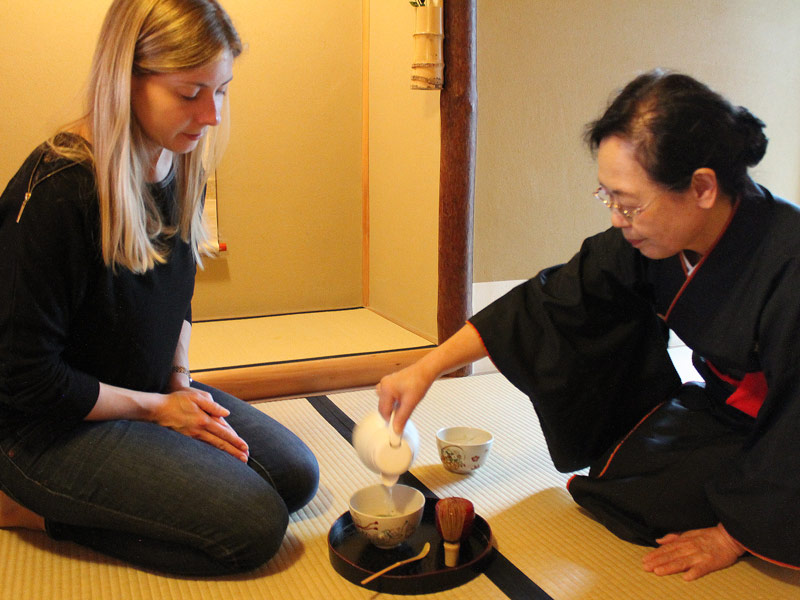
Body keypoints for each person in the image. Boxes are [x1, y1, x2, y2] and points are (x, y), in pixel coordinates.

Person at [377, 69, 800, 581]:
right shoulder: (654, 239)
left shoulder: (789, 264)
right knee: (621, 489)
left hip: (790, 433)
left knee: (693, 510)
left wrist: (732, 534)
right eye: (609, 198)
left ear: (702, 187)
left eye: (630, 202)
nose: (619, 219)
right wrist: (425, 369)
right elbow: (550, 304)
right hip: (737, 415)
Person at [0, 0, 318, 576]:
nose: (213, 114)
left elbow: (176, 295)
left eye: (221, 90)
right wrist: (158, 412)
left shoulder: (178, 159)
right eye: (191, 92)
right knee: (252, 527)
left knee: (296, 477)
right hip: (44, 427)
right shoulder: (59, 190)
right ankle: (28, 509)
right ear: (127, 80)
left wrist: (178, 384)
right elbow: (25, 377)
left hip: (141, 391)